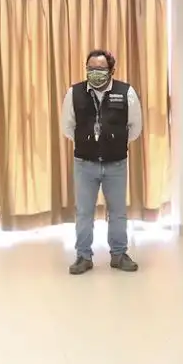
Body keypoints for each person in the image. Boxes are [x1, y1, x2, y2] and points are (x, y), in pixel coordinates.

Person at [63, 49, 143, 275]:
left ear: (111, 71)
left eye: (100, 69)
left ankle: (119, 254)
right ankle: (83, 256)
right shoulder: (74, 93)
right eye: (91, 69)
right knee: (84, 212)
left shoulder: (126, 92)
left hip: (115, 164)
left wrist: (112, 143)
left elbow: (135, 127)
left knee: (118, 212)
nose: (95, 73)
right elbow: (68, 127)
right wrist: (90, 143)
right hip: (85, 164)